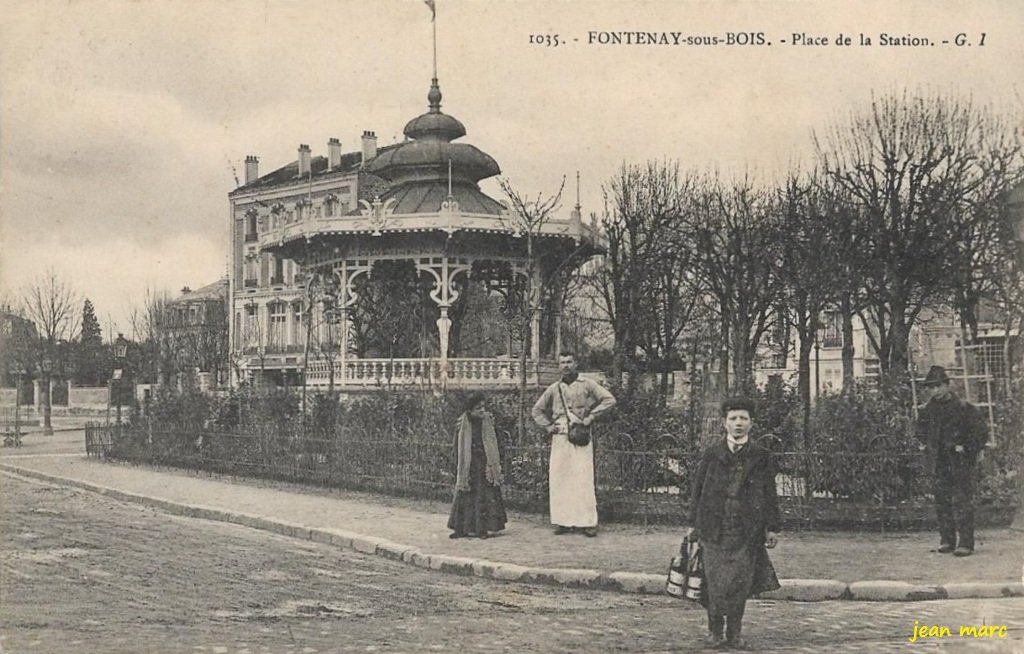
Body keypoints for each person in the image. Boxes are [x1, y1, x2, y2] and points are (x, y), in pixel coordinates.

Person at [686, 397, 780, 650]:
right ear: (724, 423)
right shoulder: (712, 453)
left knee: (739, 583)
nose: (738, 423)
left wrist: (771, 527)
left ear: (752, 423)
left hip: (745, 531)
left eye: (744, 418)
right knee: (714, 583)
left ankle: (734, 633)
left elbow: (770, 493)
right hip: (713, 529)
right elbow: (698, 490)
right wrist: (693, 524)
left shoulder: (761, 456)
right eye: (733, 418)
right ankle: (715, 631)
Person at [531, 352, 616, 537]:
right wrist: (548, 426)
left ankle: (587, 522)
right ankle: (562, 521)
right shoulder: (554, 388)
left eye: (569, 362)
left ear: (576, 363)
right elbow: (536, 410)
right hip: (560, 437)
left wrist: (591, 416)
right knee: (560, 479)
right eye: (562, 362)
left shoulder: (587, 384)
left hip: (581, 436)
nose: (566, 366)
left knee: (583, 479)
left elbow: (609, 399)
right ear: (558, 366)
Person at [915, 365, 988, 557]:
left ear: (947, 385)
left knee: (962, 501)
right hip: (939, 462)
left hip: (960, 462)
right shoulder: (927, 411)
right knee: (942, 502)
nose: (935, 391)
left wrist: (965, 448)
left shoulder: (964, 408)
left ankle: (966, 543)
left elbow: (980, 433)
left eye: (938, 386)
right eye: (931, 387)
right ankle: (947, 540)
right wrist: (929, 446)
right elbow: (919, 432)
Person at [447, 392, 507, 539]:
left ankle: (483, 529)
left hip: (484, 463)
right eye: (478, 408)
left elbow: (497, 442)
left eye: (483, 407)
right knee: (464, 495)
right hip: (468, 464)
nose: (482, 410)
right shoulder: (462, 424)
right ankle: (461, 529)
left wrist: (495, 462)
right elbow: (457, 445)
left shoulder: (488, 422)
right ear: (470, 410)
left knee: (482, 495)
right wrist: (458, 462)